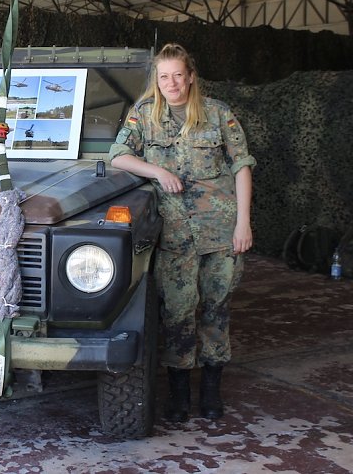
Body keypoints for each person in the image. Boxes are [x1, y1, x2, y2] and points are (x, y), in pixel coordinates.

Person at [109, 43, 255, 423]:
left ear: (190, 77)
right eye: (163, 76)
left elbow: (241, 166)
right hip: (174, 237)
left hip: (220, 234)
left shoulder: (218, 114)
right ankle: (178, 395)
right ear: (156, 81)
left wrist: (243, 222)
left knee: (216, 311)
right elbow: (118, 155)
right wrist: (157, 172)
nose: (171, 83)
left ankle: (210, 390)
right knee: (176, 314)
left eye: (177, 75)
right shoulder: (144, 114)